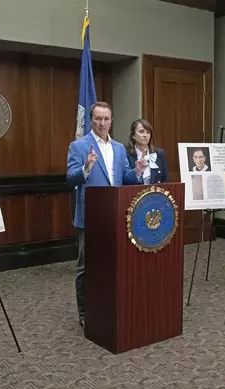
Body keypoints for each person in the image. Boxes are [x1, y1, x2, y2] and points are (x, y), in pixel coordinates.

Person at [66, 101, 147, 328]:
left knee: (113, 264)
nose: (102, 123)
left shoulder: (120, 148)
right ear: (91, 120)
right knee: (86, 267)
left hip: (116, 214)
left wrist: (137, 172)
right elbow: (70, 178)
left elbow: (123, 178)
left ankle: (108, 306)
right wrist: (87, 168)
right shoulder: (79, 146)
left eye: (106, 119)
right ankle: (85, 313)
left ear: (111, 120)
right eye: (98, 119)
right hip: (89, 215)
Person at [126, 119, 169, 184]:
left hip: (156, 193)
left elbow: (165, 179)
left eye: (148, 132)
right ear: (133, 135)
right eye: (141, 132)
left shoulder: (159, 153)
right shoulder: (126, 154)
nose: (145, 135)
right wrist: (137, 172)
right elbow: (124, 181)